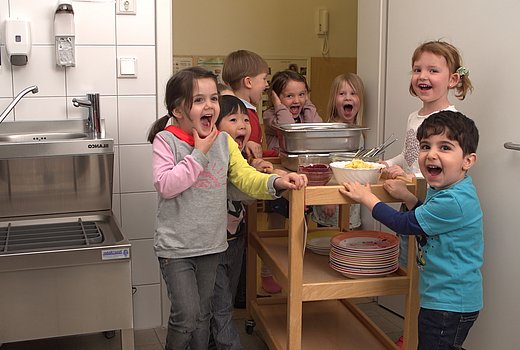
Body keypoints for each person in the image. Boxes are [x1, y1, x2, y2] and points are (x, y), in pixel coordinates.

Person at [147, 67, 307, 350]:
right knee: (186, 316)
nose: (209, 106)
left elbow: (244, 178)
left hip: (212, 245)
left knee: (204, 316)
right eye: (198, 100)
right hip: (176, 249)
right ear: (178, 110)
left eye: (213, 98)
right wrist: (199, 153)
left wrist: (278, 181)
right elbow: (166, 185)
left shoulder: (223, 141)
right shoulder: (166, 140)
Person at [339, 110, 482, 350]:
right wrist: (409, 197)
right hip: (444, 297)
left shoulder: (454, 200)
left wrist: (368, 198)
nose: (431, 154)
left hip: (449, 303)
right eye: (425, 146)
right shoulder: (448, 189)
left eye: (445, 148)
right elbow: (427, 220)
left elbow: (404, 224)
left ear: (468, 160)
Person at [311, 73, 366, 230]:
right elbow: (322, 166)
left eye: (353, 93)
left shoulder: (359, 132)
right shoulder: (329, 131)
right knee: (328, 241)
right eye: (342, 94)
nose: (348, 98)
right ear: (334, 100)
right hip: (330, 200)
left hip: (351, 202)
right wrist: (328, 198)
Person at [222, 49, 273, 160]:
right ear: (248, 82)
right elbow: (252, 155)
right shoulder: (245, 114)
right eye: (264, 79)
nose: (267, 84)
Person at [263, 69, 322, 154]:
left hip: (304, 161)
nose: (297, 101)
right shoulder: (269, 115)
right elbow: (288, 129)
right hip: (280, 162)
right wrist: (278, 105)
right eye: (289, 96)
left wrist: (307, 103)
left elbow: (314, 131)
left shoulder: (306, 113)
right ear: (275, 97)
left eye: (301, 94)